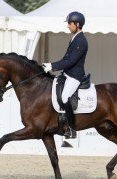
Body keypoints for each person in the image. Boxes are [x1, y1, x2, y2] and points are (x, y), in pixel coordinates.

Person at [42, 11, 88, 139]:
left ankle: (72, 129)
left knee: (65, 97)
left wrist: (52, 66)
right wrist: (51, 66)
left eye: (70, 23)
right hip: (67, 73)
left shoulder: (81, 41)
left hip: (75, 76)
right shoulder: (74, 38)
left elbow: (71, 61)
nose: (68, 26)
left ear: (77, 24)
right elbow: (65, 59)